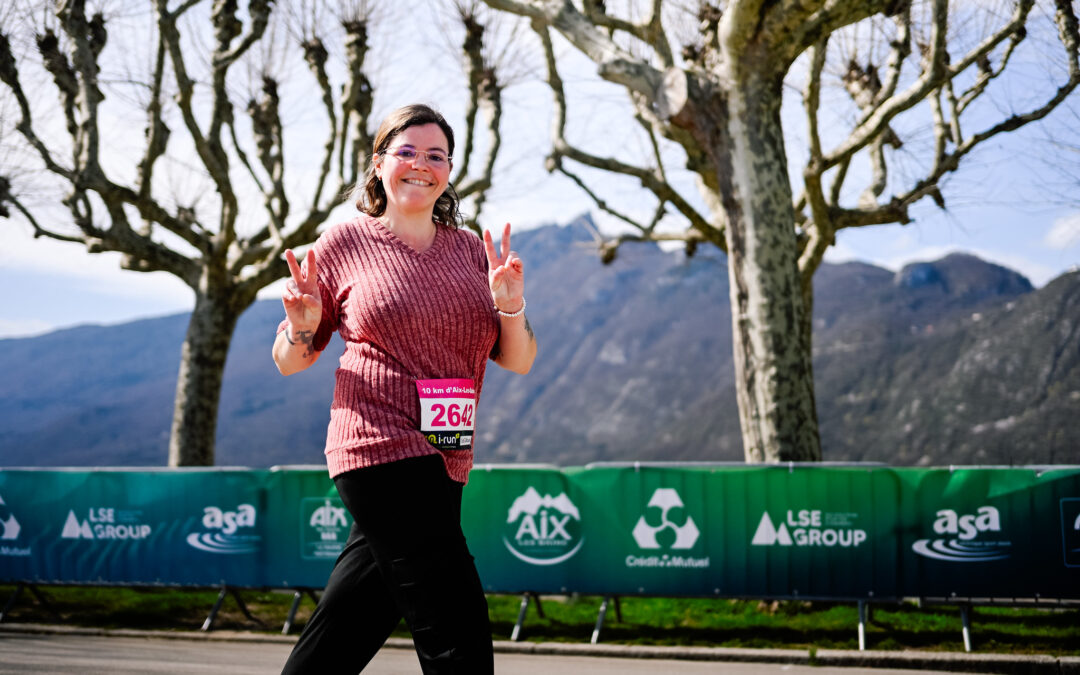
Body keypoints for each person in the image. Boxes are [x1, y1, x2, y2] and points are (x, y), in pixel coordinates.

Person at [273, 103, 536, 674]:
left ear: (449, 171)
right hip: (377, 446)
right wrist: (300, 324)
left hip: (447, 450)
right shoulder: (344, 242)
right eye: (407, 152)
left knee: (350, 621)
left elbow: (518, 359)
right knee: (454, 623)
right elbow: (290, 362)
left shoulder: (472, 250)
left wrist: (509, 305)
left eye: (436, 155)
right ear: (379, 163)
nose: (422, 165)